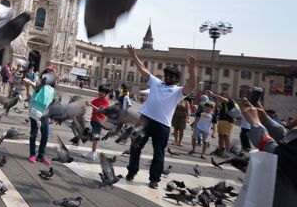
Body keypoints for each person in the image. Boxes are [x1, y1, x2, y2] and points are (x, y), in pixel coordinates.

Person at [125, 44, 196, 189]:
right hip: (144, 120)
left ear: (177, 79)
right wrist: (134, 56)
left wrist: (191, 70)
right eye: (167, 75)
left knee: (159, 153)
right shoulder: (156, 83)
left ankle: (154, 179)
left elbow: (192, 86)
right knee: (134, 146)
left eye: (172, 76)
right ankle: (132, 171)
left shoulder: (178, 91)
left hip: (162, 125)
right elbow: (143, 70)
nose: (168, 77)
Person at [240, 98, 297, 207]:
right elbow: (289, 139)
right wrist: (264, 119)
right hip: (275, 203)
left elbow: (282, 156)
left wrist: (257, 125)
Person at [28, 67, 57, 166]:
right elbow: (36, 87)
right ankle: (32, 154)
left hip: (45, 114)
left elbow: (52, 102)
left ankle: (41, 155)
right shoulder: (39, 86)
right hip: (35, 112)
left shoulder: (52, 89)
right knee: (34, 133)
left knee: (45, 135)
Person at [83, 85, 111, 160]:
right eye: (99, 91)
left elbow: (100, 110)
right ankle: (93, 152)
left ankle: (93, 153)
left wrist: (91, 104)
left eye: (102, 92)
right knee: (93, 135)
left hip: (99, 121)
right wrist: (87, 103)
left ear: (106, 94)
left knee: (96, 136)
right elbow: (90, 103)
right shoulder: (97, 99)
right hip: (93, 120)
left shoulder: (106, 101)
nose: (100, 93)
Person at [207, 90, 236, 156]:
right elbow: (219, 104)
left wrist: (213, 95)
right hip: (222, 120)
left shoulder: (229, 100)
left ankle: (228, 152)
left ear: (227, 95)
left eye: (223, 94)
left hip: (227, 121)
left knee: (226, 136)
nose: (221, 95)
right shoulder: (224, 104)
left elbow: (222, 99)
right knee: (221, 135)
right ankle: (220, 150)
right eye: (221, 94)